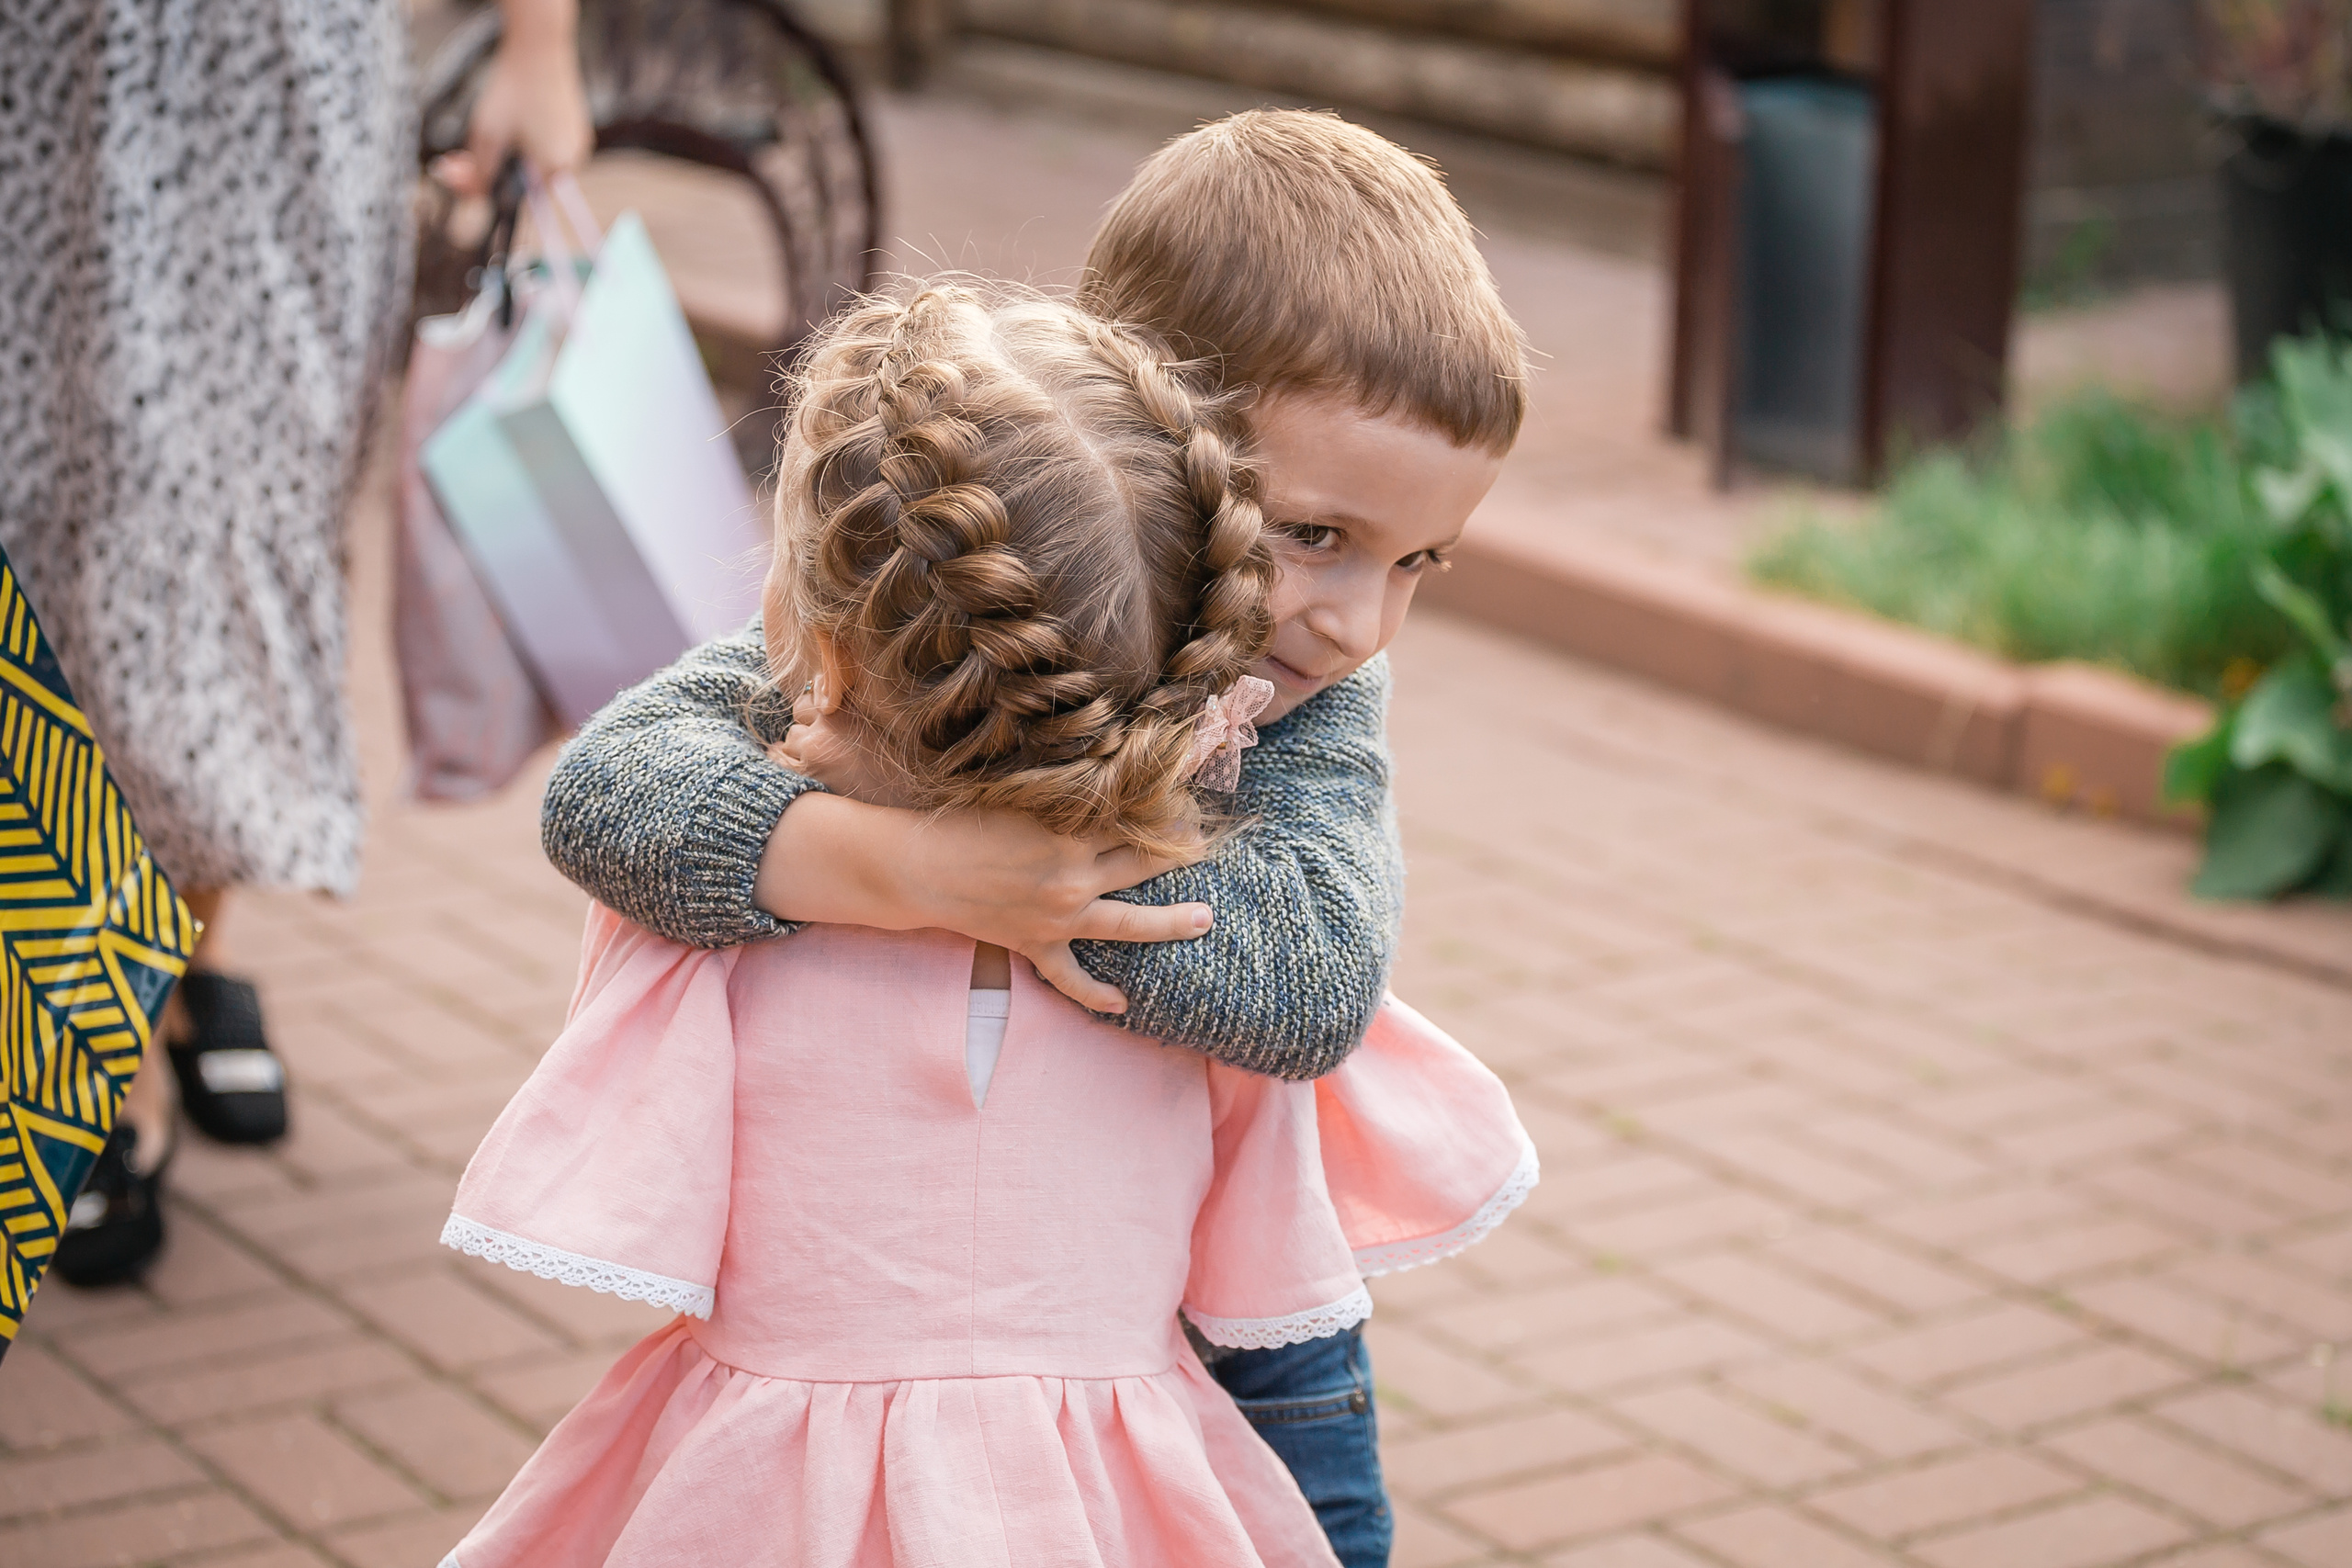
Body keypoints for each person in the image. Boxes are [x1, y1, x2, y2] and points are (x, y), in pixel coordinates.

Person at [539, 109, 1526, 1567]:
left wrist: (1026, 875)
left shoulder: (1316, 703)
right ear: (1138, 429)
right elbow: (610, 793)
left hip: (1235, 1334)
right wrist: (921, 872)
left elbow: (1313, 981)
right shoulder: (956, 592)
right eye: (1317, 536)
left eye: (1418, 562)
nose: (1360, 624)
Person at [0, 0, 593, 1285]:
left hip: (265, 78)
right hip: (40, 72)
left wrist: (539, 42)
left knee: (218, 546)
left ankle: (130, 1005)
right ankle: (142, 971)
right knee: (46, 534)